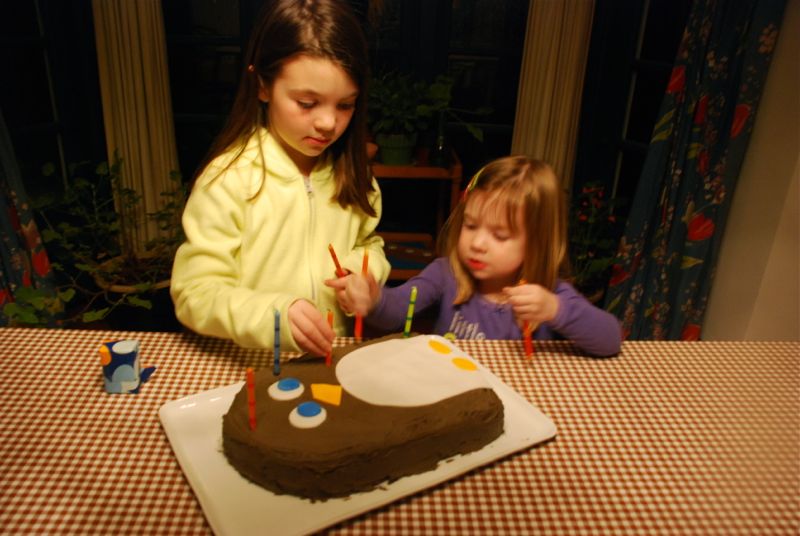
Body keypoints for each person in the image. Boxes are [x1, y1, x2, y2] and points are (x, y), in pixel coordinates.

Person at [170, 0, 390, 356]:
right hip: (250, 365)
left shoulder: (354, 174)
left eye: (345, 105)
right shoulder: (228, 180)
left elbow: (368, 244)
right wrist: (273, 316)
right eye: (307, 103)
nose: (328, 123)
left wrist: (363, 274)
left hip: (328, 360)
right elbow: (195, 292)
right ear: (262, 86)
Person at [328, 156, 622, 357]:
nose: (478, 243)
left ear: (536, 244)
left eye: (500, 235)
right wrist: (374, 298)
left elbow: (610, 339)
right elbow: (398, 308)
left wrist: (556, 310)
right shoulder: (446, 274)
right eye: (470, 226)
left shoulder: (551, 292)